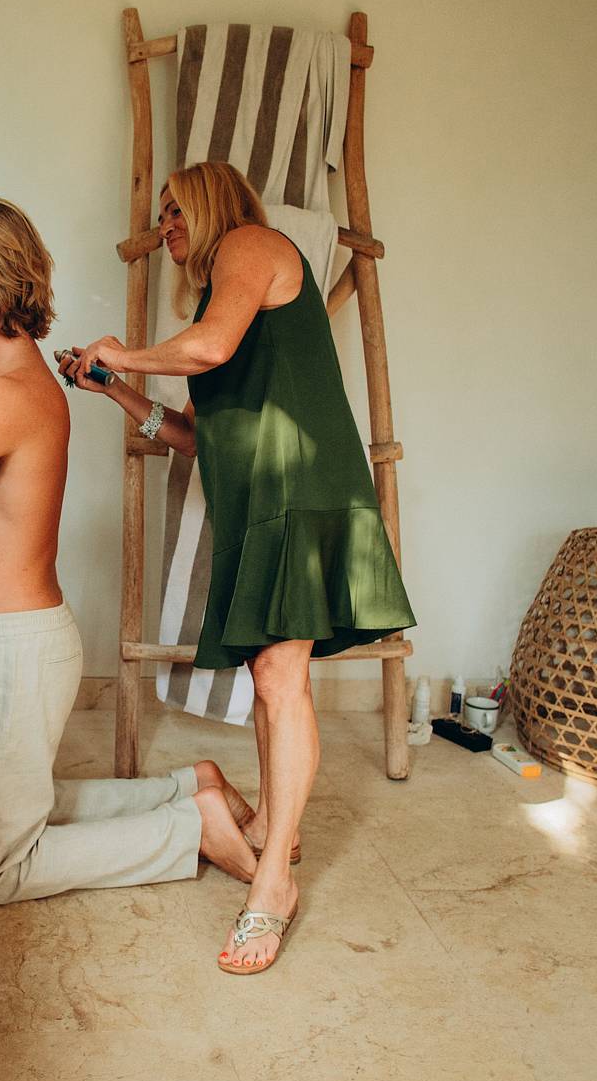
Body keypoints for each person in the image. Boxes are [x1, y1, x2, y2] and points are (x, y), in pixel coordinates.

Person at [0, 197, 258, 905]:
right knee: (16, 813)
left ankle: (191, 827)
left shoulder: (5, 398)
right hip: (2, 644)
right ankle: (191, 789)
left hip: (13, 652)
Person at [61, 161, 415, 974]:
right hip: (264, 502)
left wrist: (125, 349)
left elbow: (210, 346)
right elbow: (192, 434)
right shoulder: (225, 296)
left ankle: (273, 882)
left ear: (213, 202)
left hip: (300, 491)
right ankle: (271, 832)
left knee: (281, 679)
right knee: (270, 675)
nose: (166, 227)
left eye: (175, 210)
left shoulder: (251, 245)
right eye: (161, 215)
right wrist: (115, 387)